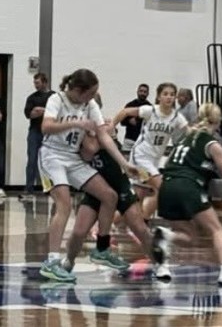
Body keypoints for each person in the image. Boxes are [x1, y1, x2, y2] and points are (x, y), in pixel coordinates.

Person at [37, 69, 132, 282]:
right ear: (79, 90)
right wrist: (76, 123)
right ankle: (52, 261)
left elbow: (103, 136)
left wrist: (124, 163)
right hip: (52, 156)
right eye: (90, 93)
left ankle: (102, 249)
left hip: (72, 158)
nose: (93, 97)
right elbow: (46, 127)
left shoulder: (89, 105)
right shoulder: (57, 99)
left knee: (110, 196)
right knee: (64, 205)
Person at [151, 103, 222, 285]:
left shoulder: (184, 139)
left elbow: (169, 163)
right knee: (216, 229)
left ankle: (164, 245)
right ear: (218, 121)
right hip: (188, 186)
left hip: (167, 186)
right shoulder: (212, 144)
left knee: (188, 236)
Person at [64, 119, 155, 280]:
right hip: (96, 190)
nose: (105, 124)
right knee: (78, 232)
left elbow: (101, 138)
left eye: (108, 123)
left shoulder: (109, 142)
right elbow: (88, 152)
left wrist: (98, 130)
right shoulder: (86, 141)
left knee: (140, 228)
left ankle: (157, 263)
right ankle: (68, 261)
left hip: (120, 188)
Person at [111, 83, 188, 221]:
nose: (169, 97)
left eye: (172, 94)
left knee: (136, 198)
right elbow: (126, 112)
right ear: (159, 96)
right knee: (162, 187)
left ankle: (107, 224)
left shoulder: (177, 117)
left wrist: (202, 133)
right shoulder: (150, 110)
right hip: (140, 157)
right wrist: (111, 125)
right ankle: (144, 219)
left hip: (154, 161)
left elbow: (190, 131)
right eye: (165, 94)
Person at [23, 73, 53, 198]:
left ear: (45, 82)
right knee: (32, 160)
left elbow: (56, 113)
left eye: (38, 83)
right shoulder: (32, 98)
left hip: (50, 132)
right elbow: (29, 114)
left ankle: (51, 188)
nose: (36, 85)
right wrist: (39, 112)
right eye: (35, 83)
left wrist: (42, 111)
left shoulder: (53, 97)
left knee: (50, 160)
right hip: (35, 131)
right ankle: (29, 188)